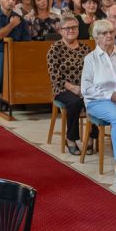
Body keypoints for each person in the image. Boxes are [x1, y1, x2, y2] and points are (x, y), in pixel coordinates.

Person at [81, 19, 116, 164]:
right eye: (104, 33)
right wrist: (109, 95)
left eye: (111, 32)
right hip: (98, 101)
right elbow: (86, 88)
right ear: (96, 38)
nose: (109, 35)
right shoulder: (90, 59)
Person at [47, 17, 89, 156]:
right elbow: (54, 75)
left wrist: (85, 88)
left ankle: (91, 136)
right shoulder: (55, 49)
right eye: (67, 28)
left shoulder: (85, 48)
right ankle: (71, 138)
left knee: (96, 100)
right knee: (75, 102)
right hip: (63, 88)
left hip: (85, 87)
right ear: (60, 31)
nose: (71, 30)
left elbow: (92, 71)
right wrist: (73, 88)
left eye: (74, 27)